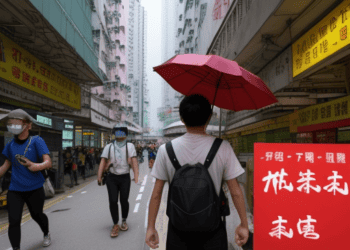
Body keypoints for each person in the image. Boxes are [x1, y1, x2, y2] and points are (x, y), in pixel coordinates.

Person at [145, 95, 249, 250]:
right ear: (209, 117)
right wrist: (244, 225)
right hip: (212, 232)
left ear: (181, 118)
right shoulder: (223, 147)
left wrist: (151, 227)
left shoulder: (165, 150)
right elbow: (236, 192)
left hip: (177, 231)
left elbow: (156, 193)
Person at [0, 109, 52, 250]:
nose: (13, 125)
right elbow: (5, 166)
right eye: (11, 123)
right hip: (15, 189)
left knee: (37, 215)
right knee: (14, 221)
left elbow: (48, 162)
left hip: (34, 188)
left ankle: (46, 233)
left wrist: (35, 166)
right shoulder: (10, 145)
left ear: (28, 125)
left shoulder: (37, 141)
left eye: (17, 122)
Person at [97, 126, 139, 238]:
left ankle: (124, 220)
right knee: (113, 200)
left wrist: (136, 175)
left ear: (126, 135)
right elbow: (103, 161)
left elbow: (134, 160)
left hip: (125, 177)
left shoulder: (130, 146)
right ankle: (115, 224)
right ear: (114, 134)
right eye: (117, 134)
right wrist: (99, 175)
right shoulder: (109, 146)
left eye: (122, 134)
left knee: (124, 200)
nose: (119, 136)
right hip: (112, 177)